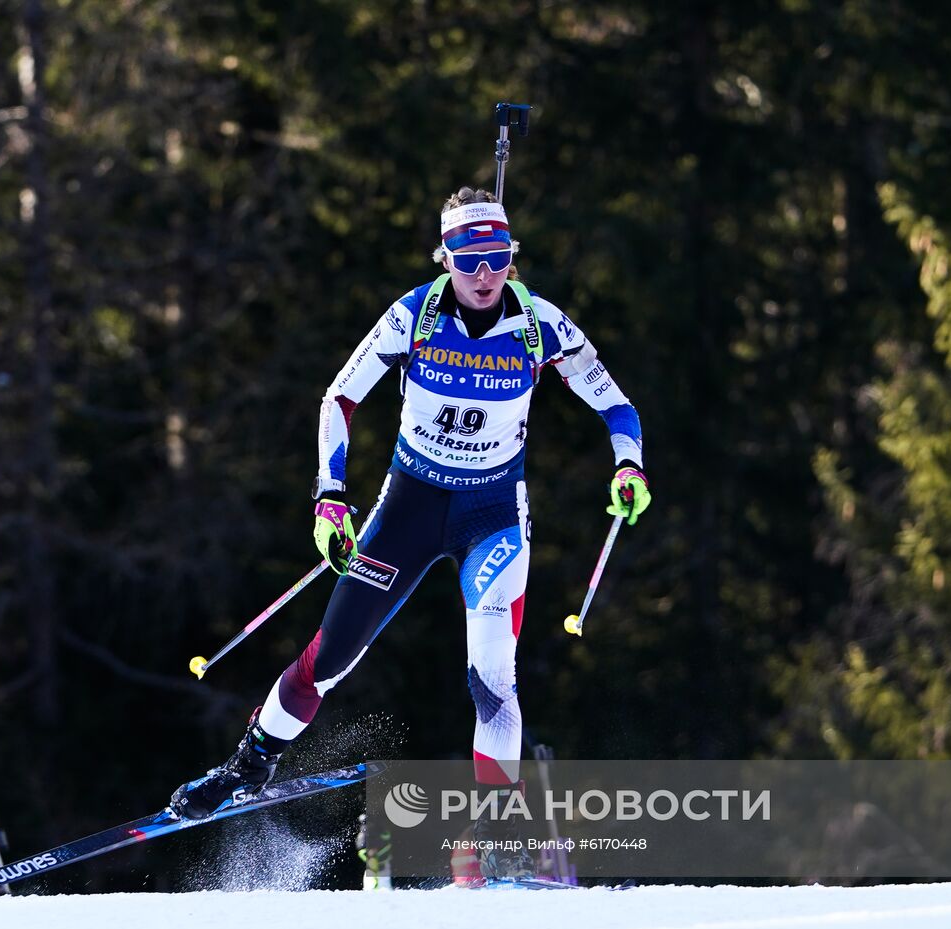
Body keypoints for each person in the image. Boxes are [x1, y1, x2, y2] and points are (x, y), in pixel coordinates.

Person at [170, 187, 649, 879]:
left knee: (492, 676)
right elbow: (339, 397)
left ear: (512, 259)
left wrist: (627, 464)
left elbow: (614, 401)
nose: (484, 274)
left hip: (493, 515)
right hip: (409, 510)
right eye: (468, 258)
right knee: (327, 661)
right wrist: (329, 499)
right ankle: (248, 766)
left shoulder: (543, 326)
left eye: (497, 258)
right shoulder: (413, 317)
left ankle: (495, 825)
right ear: (446, 257)